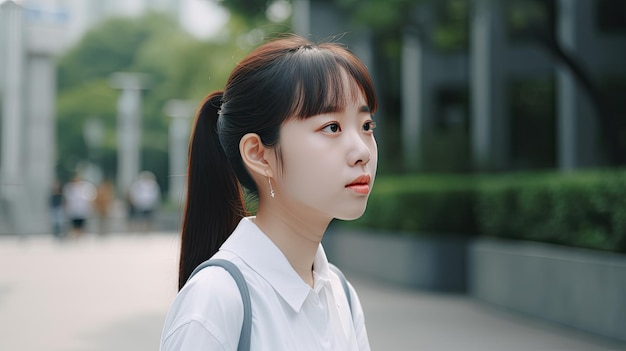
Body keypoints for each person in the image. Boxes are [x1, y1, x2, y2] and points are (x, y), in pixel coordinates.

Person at [160, 34, 378, 350]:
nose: (362, 151)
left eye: (367, 127)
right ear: (259, 154)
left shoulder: (341, 293)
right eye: (331, 127)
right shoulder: (215, 301)